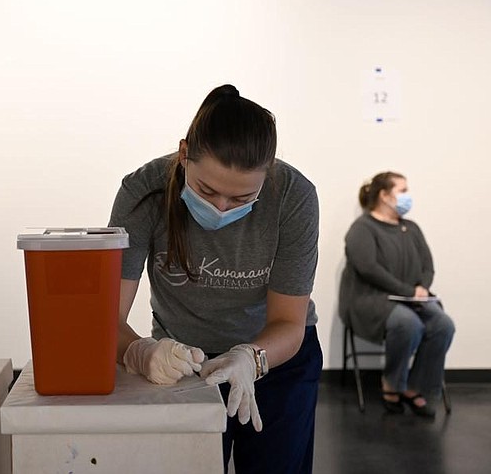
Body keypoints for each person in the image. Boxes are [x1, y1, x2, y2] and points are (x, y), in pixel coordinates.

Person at [109, 84, 321, 474]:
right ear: (185, 153)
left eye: (241, 199)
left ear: (267, 173)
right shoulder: (144, 191)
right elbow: (105, 318)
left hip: (274, 359)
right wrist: (139, 352)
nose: (221, 208)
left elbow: (289, 323)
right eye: (207, 190)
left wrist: (251, 358)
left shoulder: (294, 195)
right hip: (183, 362)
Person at [339, 171, 455, 417]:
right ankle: (391, 384)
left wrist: (422, 288)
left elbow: (427, 265)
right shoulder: (362, 229)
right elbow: (369, 270)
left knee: (443, 324)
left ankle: (414, 388)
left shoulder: (411, 228)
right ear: (384, 195)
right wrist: (409, 291)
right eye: (402, 190)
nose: (407, 196)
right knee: (407, 323)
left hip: (411, 299)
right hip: (369, 299)